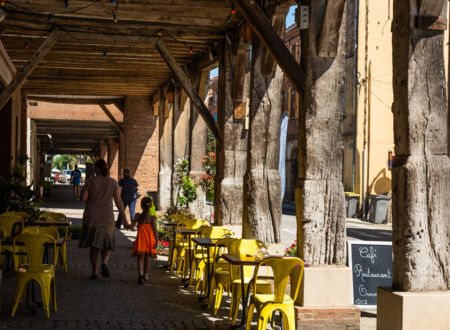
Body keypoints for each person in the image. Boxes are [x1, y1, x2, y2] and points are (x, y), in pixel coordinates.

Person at [79, 159, 128, 280]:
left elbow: (83, 199)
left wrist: (85, 193)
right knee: (107, 243)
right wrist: (125, 219)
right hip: (107, 217)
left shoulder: (90, 182)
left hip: (92, 217)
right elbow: (118, 201)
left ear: (97, 169)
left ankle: (95, 271)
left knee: (94, 246)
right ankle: (104, 262)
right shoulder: (113, 183)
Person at [131, 196, 158, 284]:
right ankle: (146, 274)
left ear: (142, 206)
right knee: (147, 258)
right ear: (150, 206)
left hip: (141, 240)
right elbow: (155, 231)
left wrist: (130, 225)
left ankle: (140, 274)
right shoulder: (152, 218)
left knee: (140, 258)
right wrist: (157, 241)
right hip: (149, 241)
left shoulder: (138, 216)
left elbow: (132, 227)